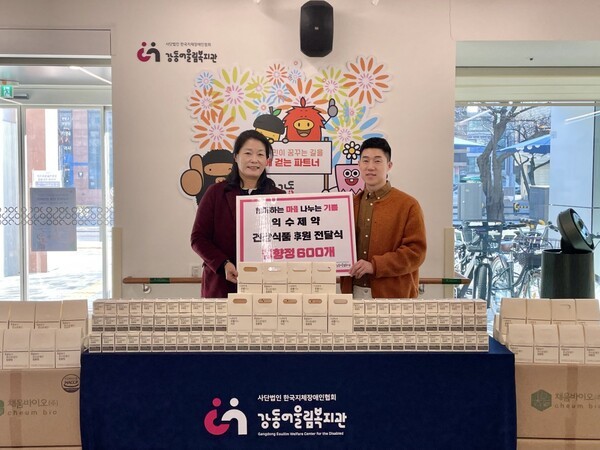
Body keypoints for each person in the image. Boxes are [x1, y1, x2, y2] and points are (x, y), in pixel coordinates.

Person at [191, 129, 285, 298]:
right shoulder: (216, 193)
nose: (254, 160)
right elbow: (198, 238)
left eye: (260, 154)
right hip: (222, 285)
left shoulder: (279, 197)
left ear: (267, 160)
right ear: (236, 157)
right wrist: (223, 264)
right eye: (248, 153)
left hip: (267, 287)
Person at [340, 137, 427, 299]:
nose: (370, 167)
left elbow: (416, 252)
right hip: (352, 293)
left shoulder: (408, 205)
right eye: (365, 160)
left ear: (389, 166)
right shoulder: (349, 205)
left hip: (393, 295)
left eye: (377, 161)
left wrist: (375, 266)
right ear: (359, 165)